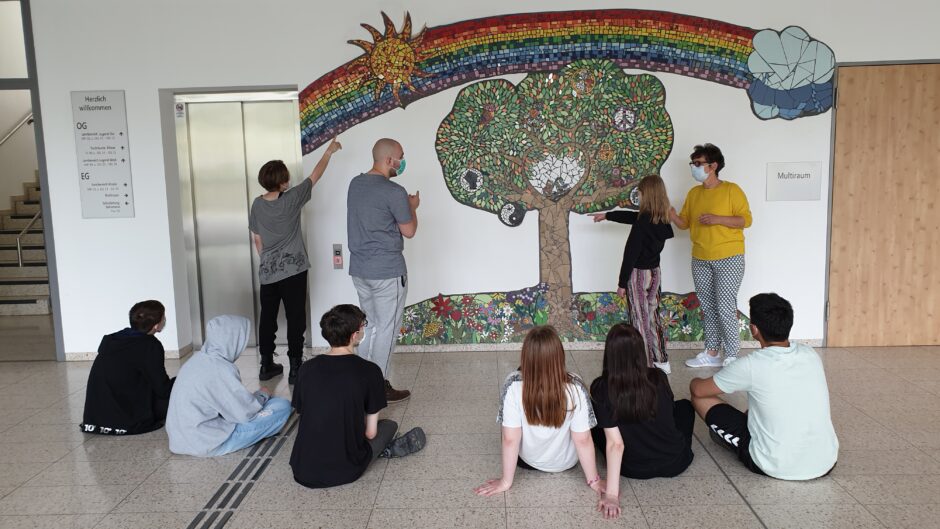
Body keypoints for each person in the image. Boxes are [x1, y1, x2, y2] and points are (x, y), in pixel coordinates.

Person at [690, 293, 839, 479]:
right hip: (826, 460)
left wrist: (694, 380)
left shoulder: (751, 365)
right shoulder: (810, 354)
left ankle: (729, 440)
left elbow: (698, 390)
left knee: (699, 398)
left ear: (754, 329)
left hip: (774, 464)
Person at [290, 304, 426, 488]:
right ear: (354, 335)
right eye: (363, 325)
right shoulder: (369, 371)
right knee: (389, 425)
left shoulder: (306, 369)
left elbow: (304, 412)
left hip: (302, 468)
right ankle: (384, 451)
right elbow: (370, 433)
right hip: (345, 470)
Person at [249, 138, 342, 384]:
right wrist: (329, 151)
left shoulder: (257, 204)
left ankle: (266, 363)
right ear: (282, 181)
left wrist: (268, 260)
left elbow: (257, 239)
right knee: (295, 317)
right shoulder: (291, 199)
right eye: (286, 177)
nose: (289, 180)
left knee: (267, 317)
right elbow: (315, 175)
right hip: (293, 270)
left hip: (268, 271)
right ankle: (295, 366)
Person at [475, 326, 604, 499]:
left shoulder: (513, 384)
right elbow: (583, 440)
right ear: (559, 356)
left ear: (526, 357)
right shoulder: (576, 386)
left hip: (528, 461)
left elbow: (509, 439)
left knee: (507, 423)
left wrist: (506, 481)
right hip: (566, 463)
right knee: (587, 418)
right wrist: (594, 480)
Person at [589, 324, 694, 519]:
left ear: (609, 353)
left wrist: (612, 494)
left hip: (633, 468)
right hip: (675, 461)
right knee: (685, 407)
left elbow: (615, 444)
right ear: (640, 351)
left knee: (595, 426)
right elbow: (668, 412)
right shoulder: (658, 377)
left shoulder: (601, 388)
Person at [346, 138, 419, 402]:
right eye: (401, 156)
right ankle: (378, 386)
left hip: (360, 270)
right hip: (387, 271)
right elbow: (409, 231)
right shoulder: (394, 191)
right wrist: (412, 208)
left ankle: (361, 381)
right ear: (389, 160)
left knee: (370, 326)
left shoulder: (355, 184)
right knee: (386, 328)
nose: (402, 161)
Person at [669, 144, 752, 367]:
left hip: (729, 257)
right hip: (700, 258)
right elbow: (685, 224)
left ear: (713, 166)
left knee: (725, 303)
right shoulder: (694, 193)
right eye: (692, 164)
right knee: (707, 305)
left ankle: (733, 354)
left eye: (698, 164)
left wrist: (718, 219)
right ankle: (712, 353)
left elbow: (746, 220)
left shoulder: (732, 190)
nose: (694, 168)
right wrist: (672, 215)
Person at [166, 315, 292, 457]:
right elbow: (245, 414)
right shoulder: (220, 368)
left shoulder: (197, 359)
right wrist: (262, 395)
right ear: (233, 340)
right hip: (207, 442)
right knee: (281, 406)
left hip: (180, 439)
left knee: (266, 401)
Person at [591, 174, 675, 373]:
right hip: (655, 274)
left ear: (647, 195)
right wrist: (608, 215)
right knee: (652, 316)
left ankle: (644, 365)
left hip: (638, 275)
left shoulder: (642, 223)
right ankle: (662, 360)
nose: (638, 195)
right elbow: (634, 218)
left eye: (640, 192)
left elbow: (630, 254)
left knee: (639, 319)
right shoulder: (661, 219)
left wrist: (621, 283)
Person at [80, 300, 175, 435]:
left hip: (96, 417)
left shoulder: (114, 339)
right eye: (163, 317)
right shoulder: (149, 346)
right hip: (127, 419)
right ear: (155, 325)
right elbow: (163, 390)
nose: (164, 320)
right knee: (183, 392)